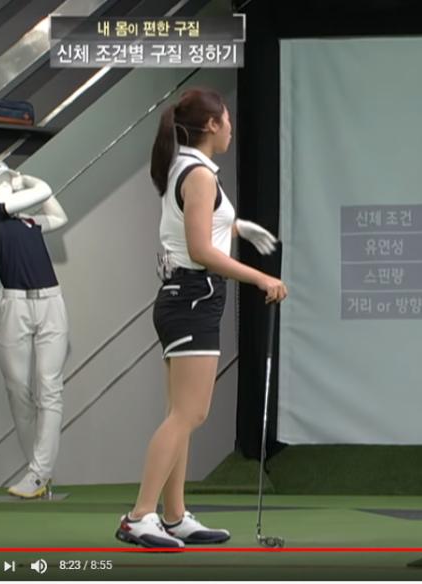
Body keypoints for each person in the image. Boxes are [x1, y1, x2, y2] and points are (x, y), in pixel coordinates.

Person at [115, 87, 288, 548]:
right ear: (211, 125)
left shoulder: (188, 167)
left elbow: (196, 228)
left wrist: (236, 227)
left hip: (187, 296)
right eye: (226, 119)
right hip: (194, 295)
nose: (231, 127)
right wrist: (261, 278)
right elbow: (200, 250)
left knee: (182, 413)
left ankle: (174, 516)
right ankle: (139, 516)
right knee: (190, 413)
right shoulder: (198, 174)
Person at [0, 158, 69, 499]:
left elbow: (58, 216)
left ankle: (39, 472)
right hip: (15, 305)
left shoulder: (25, 218)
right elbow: (43, 190)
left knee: (50, 388)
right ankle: (37, 470)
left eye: (4, 178)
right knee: (18, 390)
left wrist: (23, 180)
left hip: (51, 301)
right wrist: (26, 180)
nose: (2, 183)